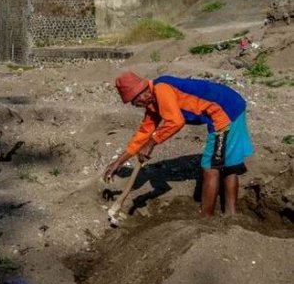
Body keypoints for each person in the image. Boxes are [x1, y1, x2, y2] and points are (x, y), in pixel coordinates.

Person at [104, 71, 254, 217]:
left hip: (225, 111)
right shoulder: (152, 102)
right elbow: (143, 133)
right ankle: (231, 215)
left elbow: (176, 122)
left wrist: (151, 144)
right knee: (227, 165)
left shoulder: (161, 89)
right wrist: (119, 162)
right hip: (231, 104)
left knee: (211, 167)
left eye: (134, 102)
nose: (135, 106)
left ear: (142, 93)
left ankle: (206, 218)